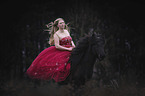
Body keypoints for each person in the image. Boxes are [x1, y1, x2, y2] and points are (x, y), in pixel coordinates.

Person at [26, 18, 75, 82]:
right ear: (57, 25)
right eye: (60, 23)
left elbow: (71, 40)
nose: (63, 24)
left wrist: (74, 46)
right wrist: (68, 49)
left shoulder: (66, 31)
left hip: (70, 49)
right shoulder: (56, 34)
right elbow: (57, 46)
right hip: (63, 50)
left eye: (63, 23)